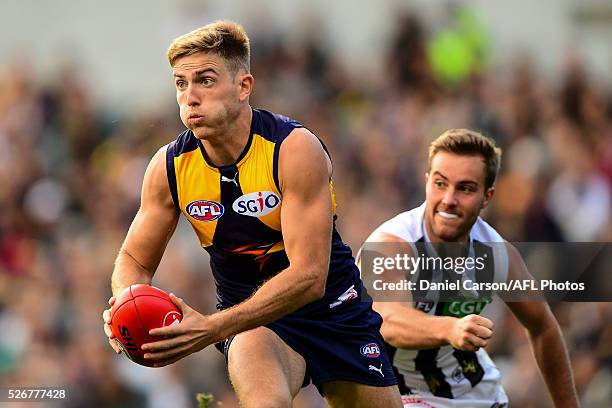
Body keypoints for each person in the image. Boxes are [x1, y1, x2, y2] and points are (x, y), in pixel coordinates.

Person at [101, 20, 402, 407]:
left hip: (333, 310)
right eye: (180, 83)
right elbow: (133, 258)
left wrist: (210, 328)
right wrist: (127, 305)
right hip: (251, 322)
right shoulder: (169, 168)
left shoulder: (293, 150)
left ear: (244, 87)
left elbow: (309, 276)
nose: (190, 96)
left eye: (205, 81)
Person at [360, 129, 579, 407]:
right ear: (427, 182)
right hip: (399, 394)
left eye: (465, 188)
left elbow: (543, 327)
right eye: (440, 184)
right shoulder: (392, 244)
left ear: (487, 197)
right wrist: (450, 328)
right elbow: (387, 319)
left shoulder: (497, 253)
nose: (449, 199)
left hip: (477, 395)